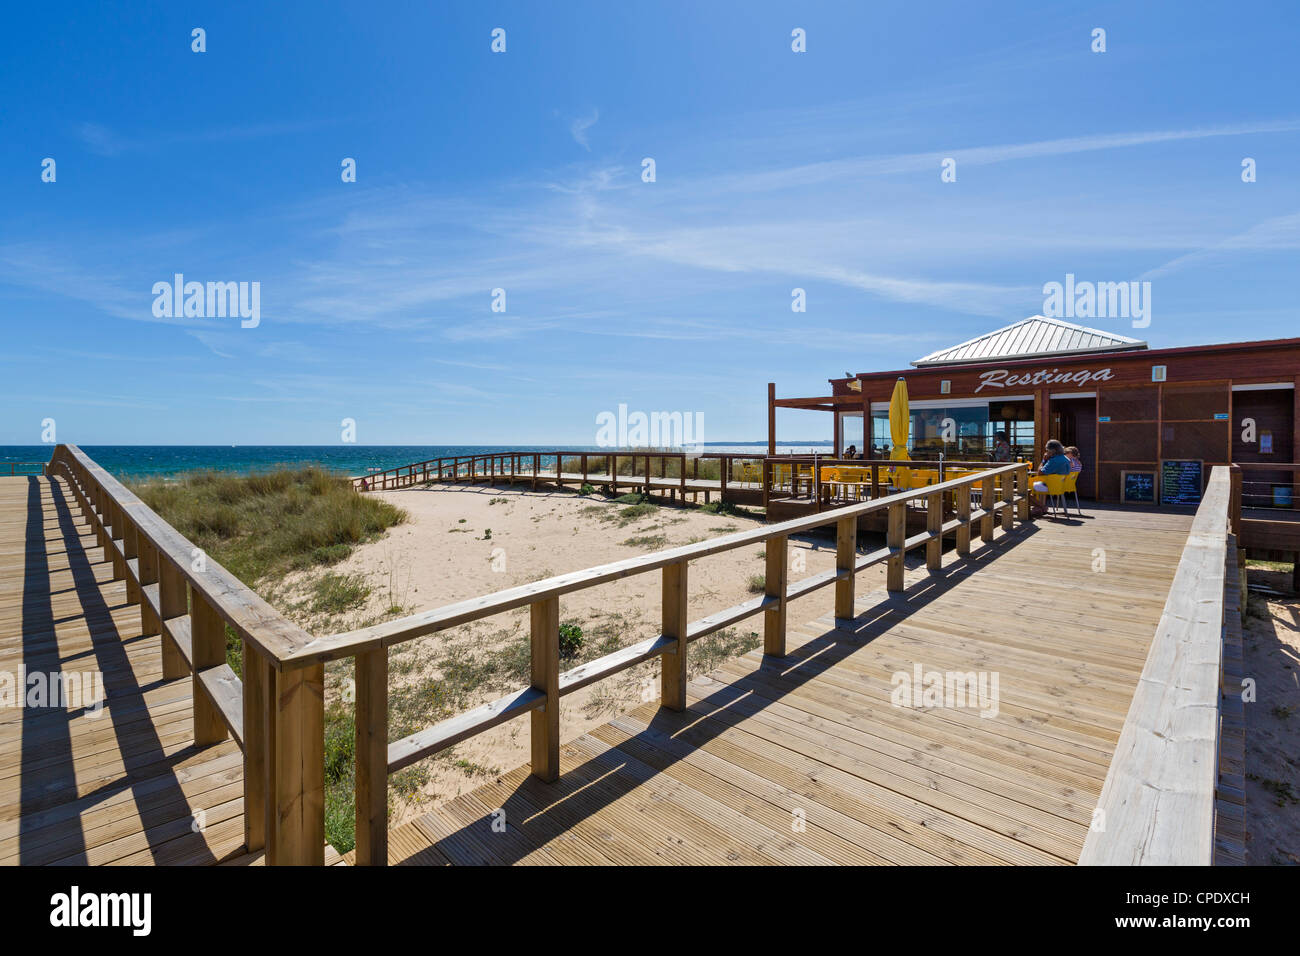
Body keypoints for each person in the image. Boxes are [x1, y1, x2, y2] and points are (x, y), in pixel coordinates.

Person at [1032, 440, 1071, 515]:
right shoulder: (1065, 459)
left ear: (1052, 450)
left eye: (1047, 450)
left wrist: (1044, 460)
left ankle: (1042, 507)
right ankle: (1038, 508)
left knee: (1025, 491)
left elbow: (1040, 473)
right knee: (1038, 485)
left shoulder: (1054, 460)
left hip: (1051, 487)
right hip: (1060, 486)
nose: (1046, 452)